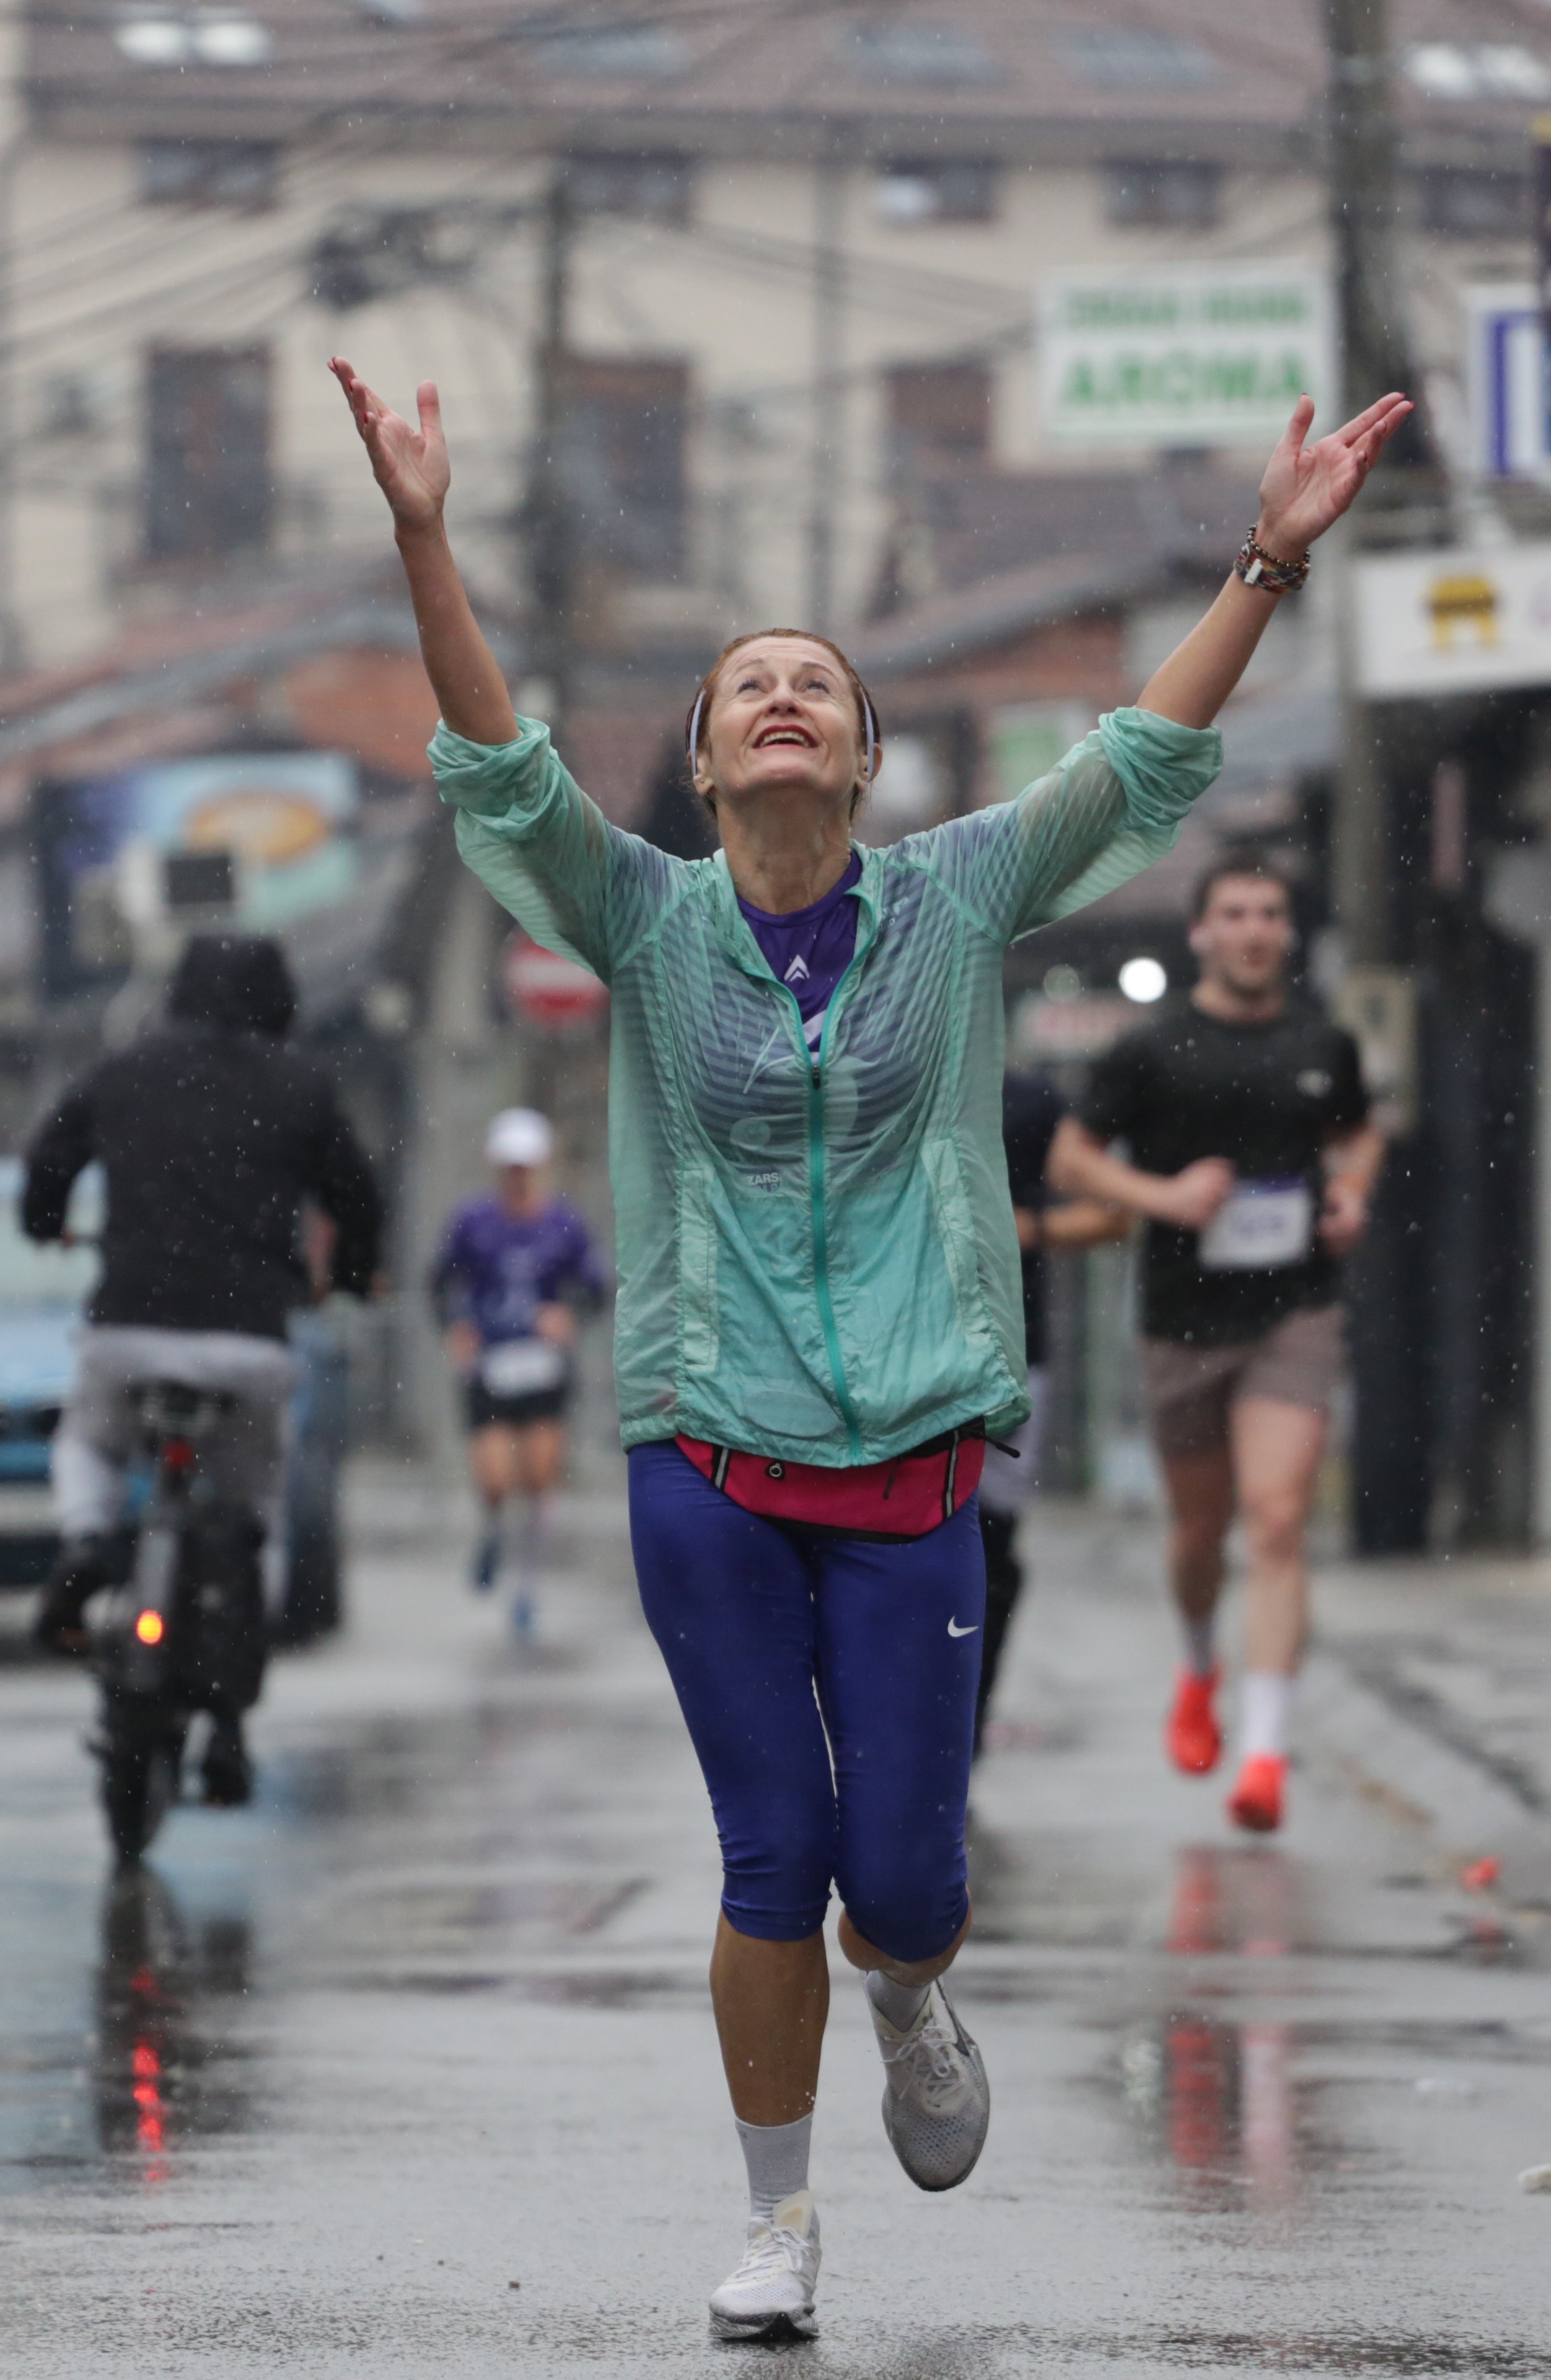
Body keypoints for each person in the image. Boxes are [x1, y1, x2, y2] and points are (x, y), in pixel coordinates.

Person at [331, 350, 1408, 2340]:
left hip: (916, 1452)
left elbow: (1139, 765)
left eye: (815, 682)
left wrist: (1266, 562)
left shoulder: (960, 897)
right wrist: (425, 538)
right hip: (705, 1450)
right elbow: (498, 767)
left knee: (900, 1881)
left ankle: (911, 1990)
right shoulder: (642, 920)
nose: (782, 695)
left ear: (864, 754)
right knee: (773, 1854)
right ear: (706, 756)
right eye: (748, 682)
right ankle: (778, 2220)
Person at [1049, 854, 1383, 1835]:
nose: (1253, 930)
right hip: (1183, 1317)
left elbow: (1360, 1134)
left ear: (1288, 931)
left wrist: (1350, 1194)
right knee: (1203, 1533)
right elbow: (1072, 1159)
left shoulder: (1323, 1042)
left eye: (1269, 913)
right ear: (1201, 932)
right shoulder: (1150, 1051)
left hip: (1295, 1308)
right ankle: (1200, 1666)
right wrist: (1162, 1196)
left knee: (1277, 1522)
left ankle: (1264, 1754)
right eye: (1234, 913)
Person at [20, 933, 383, 1803]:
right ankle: (227, 1725)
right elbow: (358, 1198)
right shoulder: (301, 1088)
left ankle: (85, 1541)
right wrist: (353, 1276)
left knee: (92, 1441)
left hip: (128, 1330)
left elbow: (49, 1158)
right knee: (254, 1512)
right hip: (247, 1346)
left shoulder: (125, 1071)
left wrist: (43, 1220)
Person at [972, 1069, 1128, 1750]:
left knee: (989, 1548)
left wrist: (1024, 1228)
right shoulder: (861, 1084)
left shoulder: (1029, 1103)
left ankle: (965, 1731)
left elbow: (1112, 1213)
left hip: (1007, 1355)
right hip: (876, 1356)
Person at [429, 1106, 606, 1637]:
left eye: (525, 1167)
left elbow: (596, 1287)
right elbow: (441, 1281)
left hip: (543, 1368)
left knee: (538, 1474)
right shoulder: (473, 1222)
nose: (518, 1178)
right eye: (510, 1168)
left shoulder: (564, 1225)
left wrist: (568, 1316)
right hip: (491, 1364)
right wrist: (457, 1328)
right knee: (494, 1474)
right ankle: (491, 1527)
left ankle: (526, 1584)